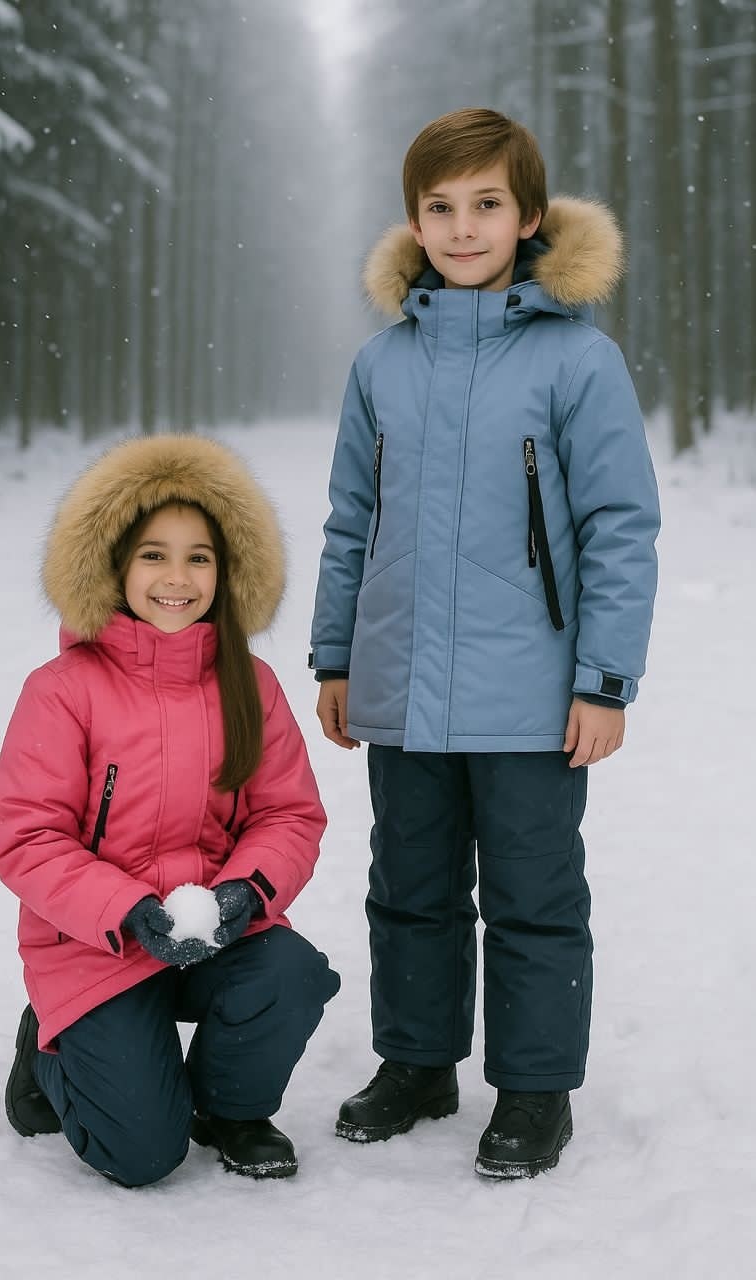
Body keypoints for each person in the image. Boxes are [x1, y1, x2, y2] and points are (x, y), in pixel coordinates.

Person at [309, 108, 660, 1178]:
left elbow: (618, 523)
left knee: (532, 891)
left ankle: (535, 1088)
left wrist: (603, 679)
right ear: (414, 222)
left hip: (532, 692)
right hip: (404, 686)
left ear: (530, 216)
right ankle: (416, 1063)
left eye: (487, 205)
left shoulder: (577, 360)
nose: (463, 228)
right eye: (440, 207)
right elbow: (348, 520)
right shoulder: (382, 363)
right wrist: (336, 657)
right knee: (406, 883)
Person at [0, 434, 340, 1188]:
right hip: (97, 943)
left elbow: (288, 816)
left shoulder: (251, 683)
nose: (176, 578)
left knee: (290, 971)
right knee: (142, 1155)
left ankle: (229, 1108)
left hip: (210, 927)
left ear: (226, 570)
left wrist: (246, 893)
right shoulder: (63, 688)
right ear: (113, 565)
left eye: (198, 557)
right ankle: (45, 1050)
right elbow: (28, 838)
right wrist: (126, 908)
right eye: (153, 555)